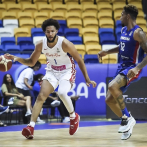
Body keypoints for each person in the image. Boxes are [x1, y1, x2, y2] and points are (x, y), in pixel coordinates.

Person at [7, 18, 97, 139]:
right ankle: (30, 127)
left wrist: (87, 78)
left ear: (56, 31)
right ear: (45, 32)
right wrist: (15, 58)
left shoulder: (64, 43)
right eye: (48, 31)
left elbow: (79, 60)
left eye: (52, 31)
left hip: (67, 71)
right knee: (40, 97)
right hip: (52, 71)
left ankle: (73, 116)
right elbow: (31, 61)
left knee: (62, 93)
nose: (50, 34)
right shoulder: (40, 44)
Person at [98, 4, 147, 140]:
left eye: (121, 15)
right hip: (122, 67)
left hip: (133, 68)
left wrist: (137, 68)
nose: (120, 17)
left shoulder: (139, 33)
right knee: (108, 99)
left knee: (112, 86)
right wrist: (106, 52)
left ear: (128, 16)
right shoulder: (124, 30)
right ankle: (127, 120)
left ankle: (128, 118)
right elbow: (122, 47)